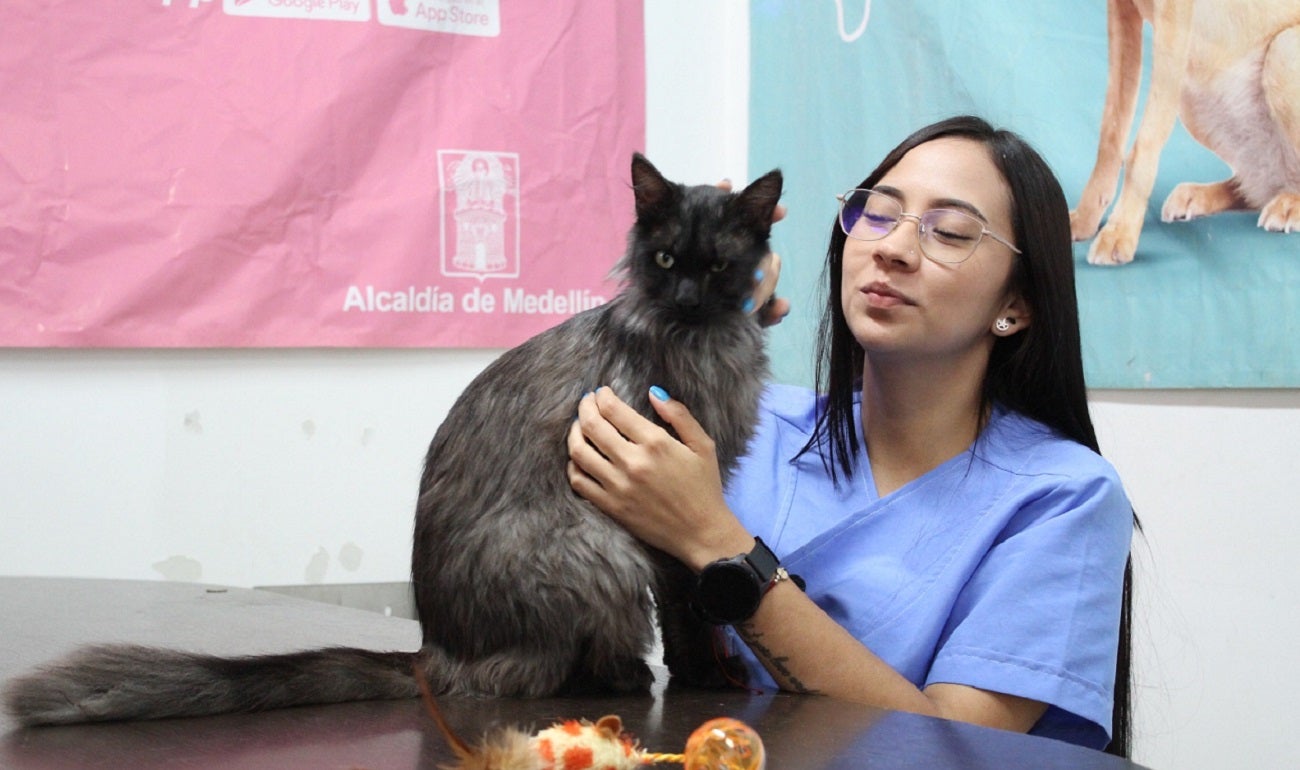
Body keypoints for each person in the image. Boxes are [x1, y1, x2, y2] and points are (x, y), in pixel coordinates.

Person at [566, 116, 1136, 756]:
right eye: (878, 214)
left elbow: (954, 750)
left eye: (949, 231)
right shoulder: (743, 428)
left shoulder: (1063, 498)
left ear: (1018, 305)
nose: (891, 248)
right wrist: (701, 311)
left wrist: (715, 543)